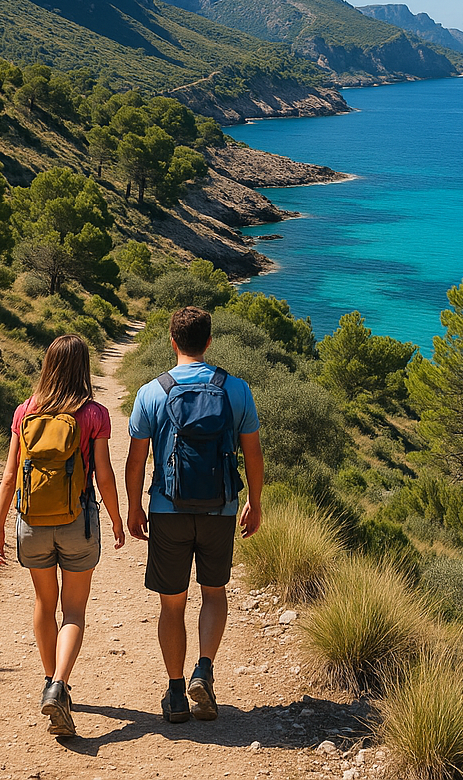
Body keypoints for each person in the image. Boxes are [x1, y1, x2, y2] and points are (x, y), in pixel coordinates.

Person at [126, 305, 264, 724]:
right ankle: (204, 670)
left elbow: (135, 461)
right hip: (220, 509)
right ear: (208, 341)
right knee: (214, 592)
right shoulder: (236, 390)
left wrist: (134, 507)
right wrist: (255, 503)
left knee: (172, 605)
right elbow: (253, 455)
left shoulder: (152, 392)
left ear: (173, 342)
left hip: (168, 509)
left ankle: (174, 693)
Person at [0, 334, 125, 738]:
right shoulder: (95, 414)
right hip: (78, 522)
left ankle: (51, 679)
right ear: (83, 367)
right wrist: (117, 519)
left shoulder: (24, 411)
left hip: (31, 522)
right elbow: (103, 473)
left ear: (47, 365)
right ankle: (59, 685)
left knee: (43, 602)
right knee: (75, 611)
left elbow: (10, 476)